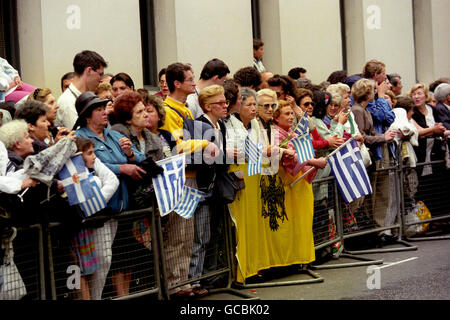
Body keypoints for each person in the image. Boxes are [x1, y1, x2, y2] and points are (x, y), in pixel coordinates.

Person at [74, 91, 146, 297]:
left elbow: (141, 159)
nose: (105, 112)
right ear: (87, 116)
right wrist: (122, 168)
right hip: (99, 207)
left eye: (104, 108)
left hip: (123, 205)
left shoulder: (114, 134)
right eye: (98, 110)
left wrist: (131, 154)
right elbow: (91, 165)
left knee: (114, 258)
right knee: (99, 258)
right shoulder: (80, 137)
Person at [159, 62, 218, 298]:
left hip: (191, 177)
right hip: (178, 179)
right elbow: (177, 146)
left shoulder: (185, 109)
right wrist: (205, 142)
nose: (195, 83)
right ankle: (175, 285)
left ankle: (183, 282)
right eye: (190, 79)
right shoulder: (168, 111)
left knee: (187, 236)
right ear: (177, 84)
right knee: (176, 235)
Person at [72, 138, 119, 300]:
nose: (94, 157)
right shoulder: (70, 172)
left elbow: (113, 180)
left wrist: (95, 203)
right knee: (80, 267)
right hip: (79, 227)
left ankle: (96, 297)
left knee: (105, 259)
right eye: (90, 153)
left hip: (98, 220)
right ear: (79, 155)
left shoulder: (95, 164)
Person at [351, 78, 396, 236]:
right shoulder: (357, 110)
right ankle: (371, 231)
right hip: (366, 156)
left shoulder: (365, 110)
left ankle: (378, 231)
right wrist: (383, 138)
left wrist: (383, 136)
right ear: (367, 93)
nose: (375, 93)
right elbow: (362, 136)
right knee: (368, 197)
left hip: (372, 154)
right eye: (373, 90)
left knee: (376, 195)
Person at [56, 50, 108, 129]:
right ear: (89, 71)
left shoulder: (85, 97)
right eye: (100, 74)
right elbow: (80, 136)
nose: (101, 79)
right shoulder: (68, 102)